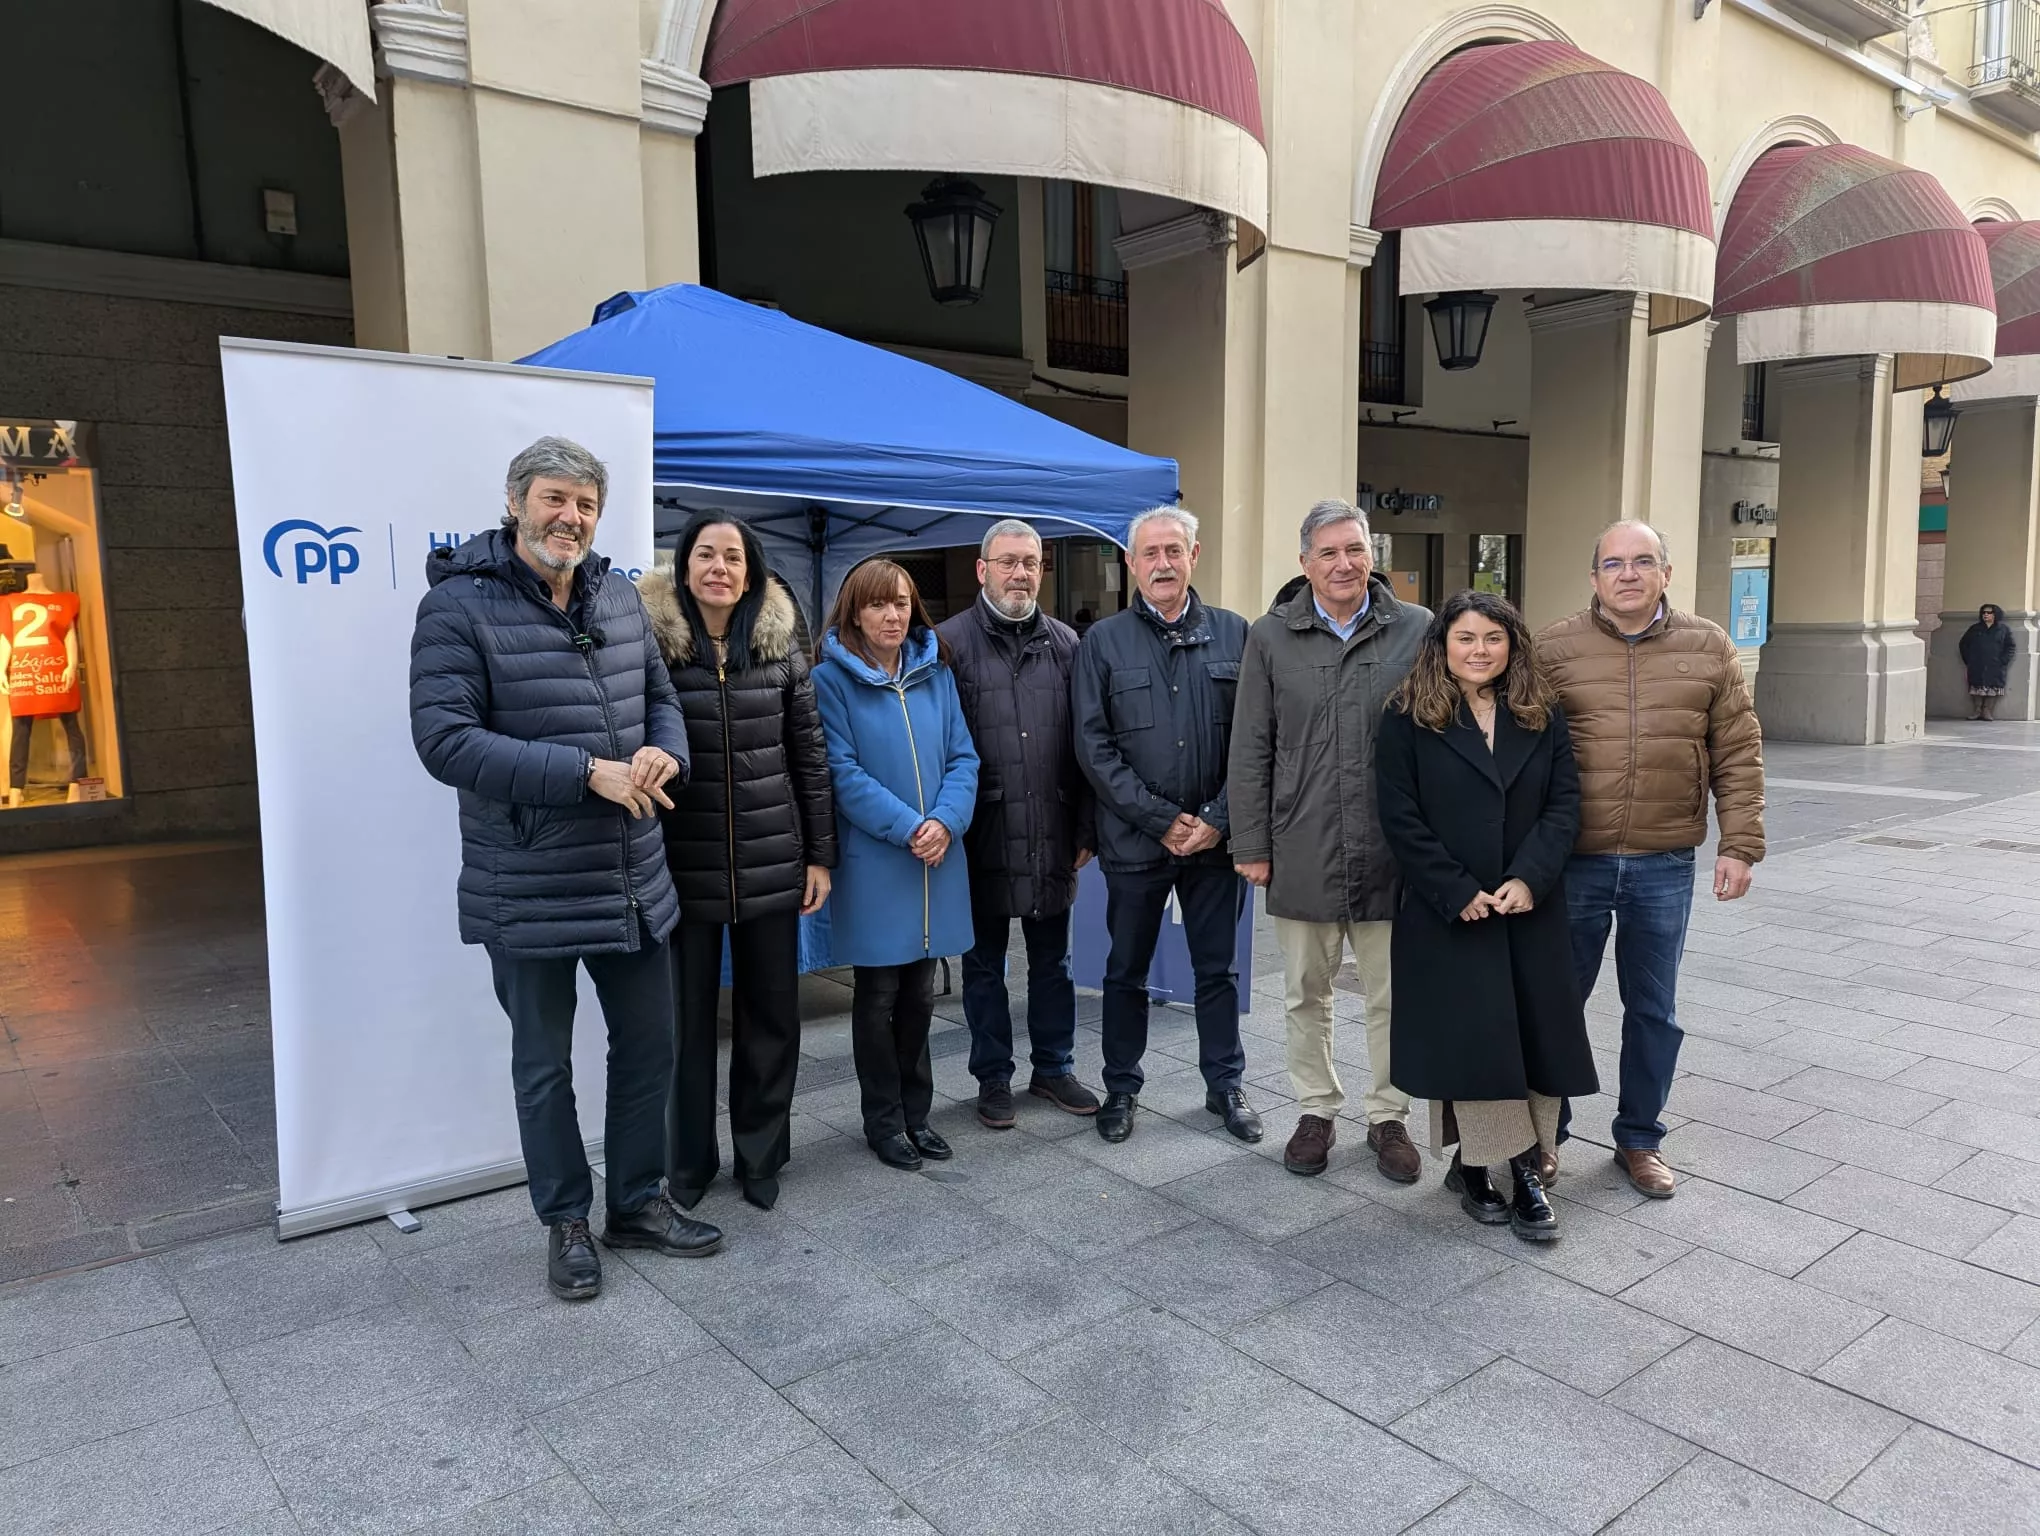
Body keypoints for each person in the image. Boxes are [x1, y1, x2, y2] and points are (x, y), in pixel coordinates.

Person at [409, 436, 722, 1303]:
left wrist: (665, 752)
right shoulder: (456, 608)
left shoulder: (621, 596)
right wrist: (587, 774)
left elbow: (661, 697)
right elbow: (446, 741)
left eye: (584, 505)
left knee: (649, 1048)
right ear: (515, 502)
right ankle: (567, 1223)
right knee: (544, 1065)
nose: (570, 518)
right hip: (530, 882)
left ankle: (635, 1203)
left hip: (632, 875)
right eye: (554, 499)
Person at [1537, 520, 1765, 1199]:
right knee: (1555, 1005)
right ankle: (1547, 1136)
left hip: (1664, 860)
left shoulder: (1709, 645)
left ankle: (1639, 1137)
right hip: (1571, 862)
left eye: (1643, 561)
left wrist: (1740, 843)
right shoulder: (1552, 648)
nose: (1628, 574)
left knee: (1654, 1009)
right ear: (1594, 578)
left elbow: (1737, 748)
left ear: (1667, 573)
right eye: (1614, 563)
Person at [1376, 592, 1597, 1240]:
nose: (1479, 651)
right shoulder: (1405, 716)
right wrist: (1456, 888)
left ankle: (1522, 1162)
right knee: (1472, 1042)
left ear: (1513, 646)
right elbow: (1399, 816)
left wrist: (1530, 877)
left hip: (1528, 908)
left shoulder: (1540, 713)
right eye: (1466, 638)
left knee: (1532, 1038)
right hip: (1455, 910)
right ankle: (1492, 1166)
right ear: (1442, 645)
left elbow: (1564, 804)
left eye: (1492, 639)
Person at [639, 514, 835, 1213]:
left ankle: (762, 1153)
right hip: (680, 867)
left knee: (771, 1018)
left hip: (773, 862)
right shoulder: (651, 652)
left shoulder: (782, 654)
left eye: (733, 557)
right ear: (683, 566)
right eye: (705, 555)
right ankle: (686, 1163)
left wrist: (820, 855)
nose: (719, 567)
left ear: (752, 572)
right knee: (685, 1027)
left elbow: (810, 759)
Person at [1230, 499, 1428, 1183]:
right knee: (1304, 993)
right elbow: (1251, 745)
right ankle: (1315, 1110)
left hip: (1392, 850)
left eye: (1356, 548)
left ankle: (1389, 1116)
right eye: (1330, 552)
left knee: (1394, 995)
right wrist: (1250, 843)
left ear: (1372, 552)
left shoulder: (1417, 630)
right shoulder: (1270, 637)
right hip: (1302, 842)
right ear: (1305, 562)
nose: (1345, 563)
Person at [1073, 506, 1260, 1145]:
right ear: (1130, 563)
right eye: (1149, 553)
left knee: (1219, 970)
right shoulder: (1102, 642)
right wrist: (1159, 819)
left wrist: (1215, 820)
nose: (1162, 564)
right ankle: (1121, 1088)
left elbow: (1257, 743)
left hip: (1215, 844)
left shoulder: (1238, 635)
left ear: (1194, 555)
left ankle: (1225, 1085)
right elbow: (1093, 747)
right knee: (1125, 970)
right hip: (1134, 842)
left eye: (1173, 551)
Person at [812, 558, 979, 1171]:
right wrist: (912, 826)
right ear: (855, 610)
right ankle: (883, 1120)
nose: (893, 615)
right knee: (878, 992)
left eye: (903, 603)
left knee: (920, 994)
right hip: (881, 859)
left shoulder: (937, 675)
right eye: (880, 604)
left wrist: (946, 820)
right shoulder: (829, 682)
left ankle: (918, 1113)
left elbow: (964, 757)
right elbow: (841, 773)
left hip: (935, 856)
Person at [936, 519, 1102, 1130]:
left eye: (1030, 563)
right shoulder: (948, 644)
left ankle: (1054, 1067)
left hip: (1054, 831)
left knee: (1053, 963)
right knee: (983, 967)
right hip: (978, 833)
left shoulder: (1068, 645)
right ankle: (993, 1077)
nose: (1019, 574)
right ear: (983, 570)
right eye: (1007, 562)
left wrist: (1086, 827)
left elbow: (1087, 746)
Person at [1960, 603, 2016, 720]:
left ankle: (1987, 711)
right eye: (1984, 612)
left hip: (1995, 664)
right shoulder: (1975, 629)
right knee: (1976, 686)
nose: (1985, 614)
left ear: (1995, 614)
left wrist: (2003, 660)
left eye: (1989, 612)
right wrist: (1969, 659)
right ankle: (1977, 710)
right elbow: (1963, 644)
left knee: (1993, 687)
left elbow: (2010, 646)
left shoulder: (2003, 629)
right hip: (1977, 664)